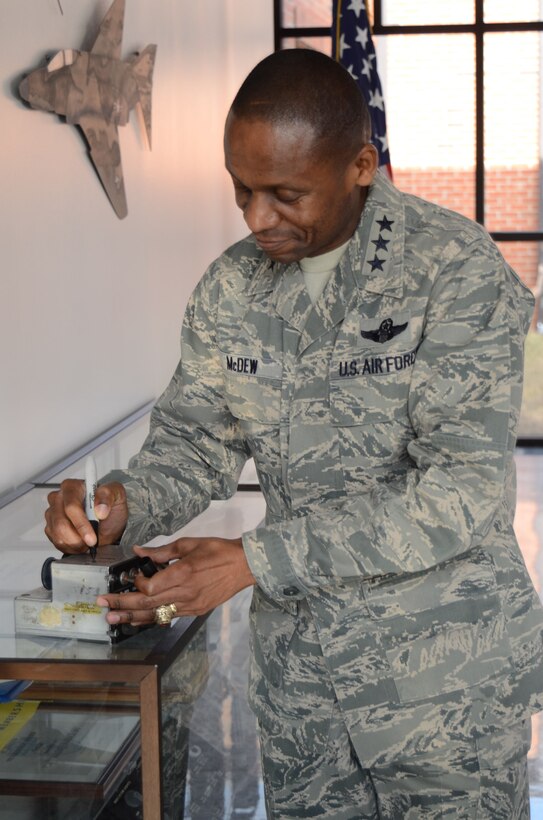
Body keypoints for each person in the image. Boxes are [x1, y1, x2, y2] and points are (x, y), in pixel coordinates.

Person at [45, 48, 543, 818]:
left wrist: (252, 558)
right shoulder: (232, 288)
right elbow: (194, 440)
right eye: (240, 189)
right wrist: (121, 503)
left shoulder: (454, 268)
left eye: (285, 193)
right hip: (304, 696)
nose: (256, 219)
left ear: (359, 166)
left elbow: (460, 493)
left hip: (445, 692)